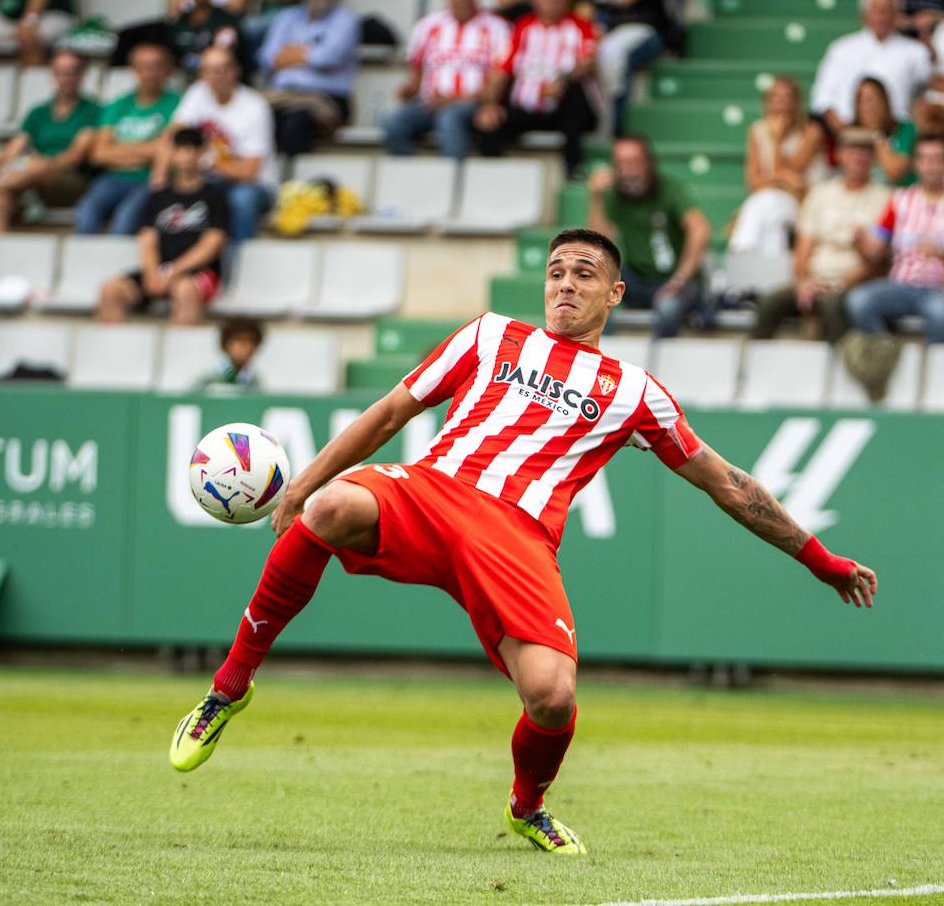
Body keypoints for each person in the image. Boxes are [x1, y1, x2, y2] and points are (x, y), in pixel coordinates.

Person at [166, 227, 877, 857]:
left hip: (517, 540)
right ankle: (229, 687)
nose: (566, 284)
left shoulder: (636, 392)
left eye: (584, 274)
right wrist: (300, 484)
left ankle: (527, 806)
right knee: (329, 507)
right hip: (430, 493)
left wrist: (820, 559)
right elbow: (389, 412)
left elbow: (730, 484)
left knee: (552, 698)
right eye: (556, 271)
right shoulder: (487, 335)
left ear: (615, 294)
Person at [752, 128, 890, 341]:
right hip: (814, 278)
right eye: (852, 150)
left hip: (854, 282)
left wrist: (837, 285)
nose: (858, 156)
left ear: (873, 158)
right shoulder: (820, 193)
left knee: (832, 306)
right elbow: (803, 247)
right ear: (840, 155)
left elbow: (878, 262)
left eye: (865, 151)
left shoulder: (886, 199)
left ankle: (839, 370)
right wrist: (804, 282)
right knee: (770, 302)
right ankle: (753, 367)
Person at [99, 128, 228, 325]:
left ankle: (182, 352)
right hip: (160, 271)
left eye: (192, 150)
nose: (187, 157)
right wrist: (152, 273)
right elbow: (147, 239)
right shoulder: (158, 197)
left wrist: (172, 271)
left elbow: (211, 245)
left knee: (185, 289)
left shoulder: (215, 196)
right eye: (181, 150)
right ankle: (115, 353)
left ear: (202, 153)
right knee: (111, 290)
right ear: (172, 154)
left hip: (199, 274)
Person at [587, 135, 711, 337]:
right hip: (636, 278)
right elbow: (598, 245)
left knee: (668, 308)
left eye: (634, 162)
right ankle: (598, 363)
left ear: (649, 163)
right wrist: (596, 197)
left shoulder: (671, 189)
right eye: (621, 164)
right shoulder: (613, 194)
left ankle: (655, 367)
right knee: (592, 297)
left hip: (676, 280)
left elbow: (700, 228)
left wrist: (680, 279)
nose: (628, 171)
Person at [0, 48, 100, 233]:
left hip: (72, 181)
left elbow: (75, 156)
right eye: (60, 72)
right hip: (30, 180)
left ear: (81, 75)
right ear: (53, 75)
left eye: (71, 72)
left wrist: (42, 167)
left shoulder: (93, 110)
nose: (65, 78)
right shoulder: (38, 112)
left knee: (34, 166)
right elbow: (14, 147)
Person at [155, 46, 276, 244]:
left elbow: (250, 172)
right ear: (202, 74)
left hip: (254, 185)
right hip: (209, 179)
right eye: (210, 69)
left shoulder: (255, 106)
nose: (216, 75)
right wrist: (159, 179)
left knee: (241, 200)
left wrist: (205, 162)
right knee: (166, 196)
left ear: (236, 70)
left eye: (223, 68)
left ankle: (241, 265)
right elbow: (171, 138)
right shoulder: (197, 93)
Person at [475, 0, 599, 179]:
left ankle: (572, 172)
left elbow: (588, 64)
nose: (551, 0)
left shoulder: (580, 26)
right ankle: (490, 177)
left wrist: (562, 81)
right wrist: (490, 104)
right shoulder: (522, 28)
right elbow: (501, 70)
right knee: (490, 119)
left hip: (562, 107)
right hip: (525, 106)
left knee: (575, 94)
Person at [383, 0, 512, 160]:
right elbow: (416, 71)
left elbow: (500, 76)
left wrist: (456, 98)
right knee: (393, 122)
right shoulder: (427, 25)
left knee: (450, 119)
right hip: (430, 103)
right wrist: (408, 90)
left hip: (473, 103)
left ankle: (454, 179)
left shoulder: (497, 27)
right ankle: (408, 175)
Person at [846, 134, 944, 343]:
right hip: (901, 285)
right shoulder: (899, 201)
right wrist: (860, 241)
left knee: (940, 314)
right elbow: (875, 250)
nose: (931, 166)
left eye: (937, 159)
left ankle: (934, 371)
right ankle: (889, 353)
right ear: (916, 163)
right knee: (859, 301)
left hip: (939, 289)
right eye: (925, 159)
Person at [75, 44, 181, 235]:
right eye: (144, 67)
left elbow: (166, 148)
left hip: (150, 179)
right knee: (86, 211)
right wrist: (148, 151)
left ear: (167, 70)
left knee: (125, 219)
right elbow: (99, 154)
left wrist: (120, 148)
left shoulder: (177, 104)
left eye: (157, 66)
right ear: (134, 70)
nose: (150, 73)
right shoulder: (117, 105)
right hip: (113, 178)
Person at [728, 76, 829, 258]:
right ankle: (766, 281)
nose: (780, 104)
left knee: (764, 203)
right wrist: (781, 177)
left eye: (786, 98)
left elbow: (791, 172)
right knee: (772, 219)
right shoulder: (757, 130)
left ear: (797, 102)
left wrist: (777, 140)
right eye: (774, 97)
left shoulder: (812, 132)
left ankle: (739, 261)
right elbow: (753, 183)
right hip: (770, 204)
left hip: (804, 202)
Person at [811, 0, 930, 135]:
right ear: (864, 14)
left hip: (897, 134)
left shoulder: (916, 51)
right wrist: (846, 134)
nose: (882, 16)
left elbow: (925, 95)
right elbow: (823, 98)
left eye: (887, 10)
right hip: (848, 133)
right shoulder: (841, 48)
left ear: (898, 15)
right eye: (877, 10)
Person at [256, 0, 358, 156]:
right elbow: (267, 58)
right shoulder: (287, 17)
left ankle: (295, 178)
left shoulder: (345, 20)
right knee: (259, 118)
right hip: (283, 95)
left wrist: (291, 54)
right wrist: (307, 54)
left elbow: (329, 57)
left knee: (297, 123)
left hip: (327, 97)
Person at [587, 0, 672, 134]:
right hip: (606, 30)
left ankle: (618, 125)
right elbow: (583, 9)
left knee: (612, 53)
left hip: (645, 29)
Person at [168, 0, 246, 78]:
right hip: (181, 76)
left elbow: (231, 56)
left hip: (215, 77)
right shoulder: (179, 21)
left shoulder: (226, 20)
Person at [853, 77, 915, 185]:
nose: (866, 107)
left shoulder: (906, 129)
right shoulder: (853, 134)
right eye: (861, 100)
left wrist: (876, 135)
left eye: (870, 99)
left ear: (884, 101)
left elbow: (895, 172)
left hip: (901, 194)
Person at [197, 316, 263, 390]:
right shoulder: (209, 379)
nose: (247, 346)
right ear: (225, 344)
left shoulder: (254, 382)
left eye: (251, 341)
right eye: (239, 339)